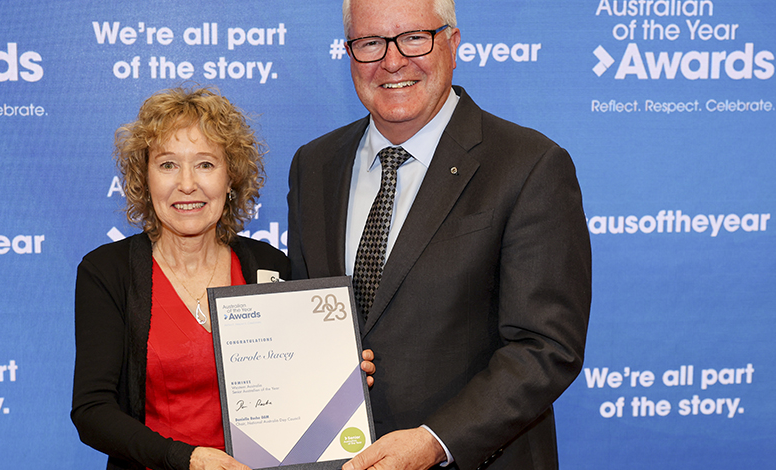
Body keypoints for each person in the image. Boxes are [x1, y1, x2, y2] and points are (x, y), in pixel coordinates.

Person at [286, 0, 592, 469]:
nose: (392, 61)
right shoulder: (314, 165)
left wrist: (436, 441)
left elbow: (546, 346)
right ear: (349, 53)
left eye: (414, 38)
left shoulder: (530, 165)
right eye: (370, 42)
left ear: (452, 43)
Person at [72, 87, 299, 470]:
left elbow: (294, 382)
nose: (187, 183)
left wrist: (339, 372)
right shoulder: (107, 272)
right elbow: (92, 411)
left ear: (230, 178)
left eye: (206, 164)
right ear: (145, 178)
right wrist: (186, 458)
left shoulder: (270, 267)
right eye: (168, 165)